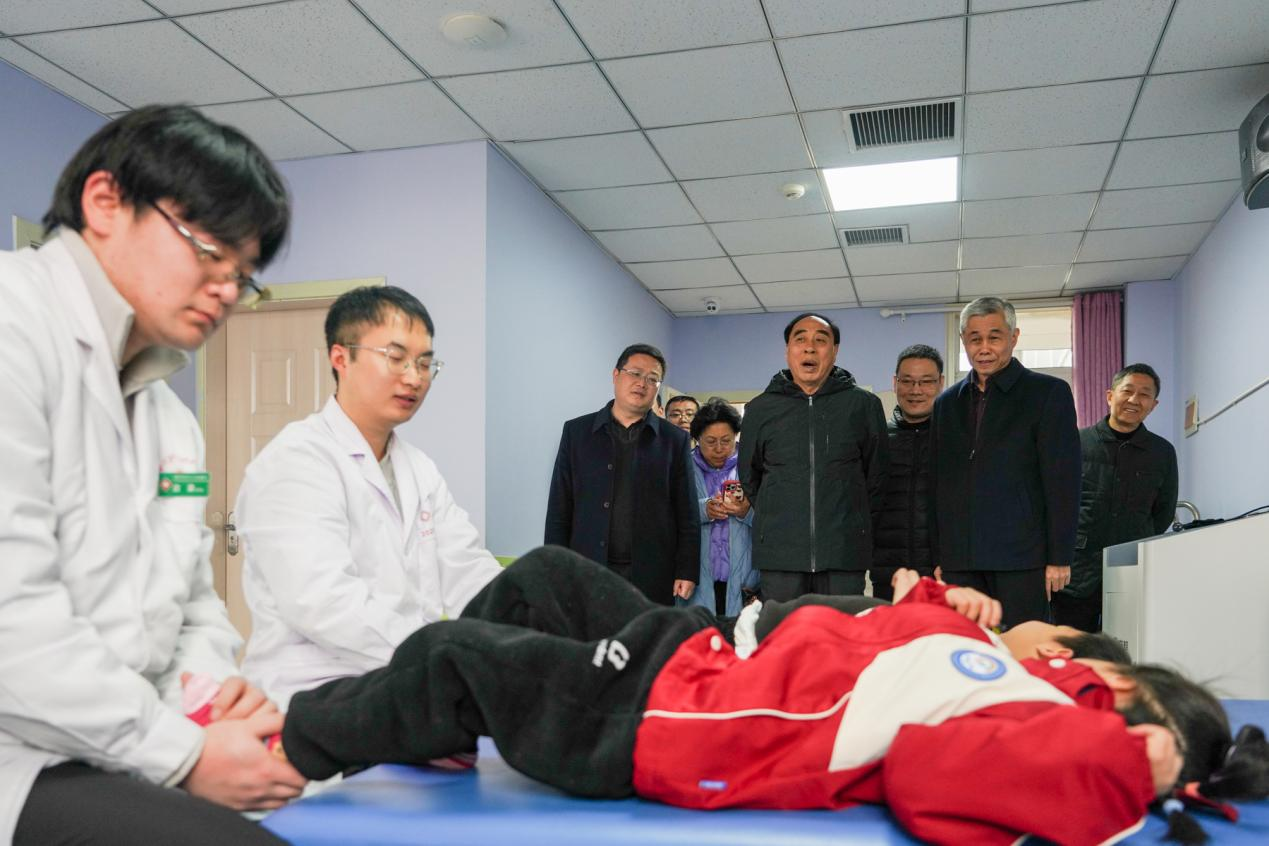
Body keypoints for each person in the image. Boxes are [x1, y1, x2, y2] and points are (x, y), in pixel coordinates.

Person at [275, 545, 1269, 846]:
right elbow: (874, 645)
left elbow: (928, 775)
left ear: (1110, 682)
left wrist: (1131, 764)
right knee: (540, 577)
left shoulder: (1049, 723)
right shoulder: (995, 664)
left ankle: (287, 747)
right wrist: (935, 603)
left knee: (453, 653)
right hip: (699, 657)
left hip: (672, 723)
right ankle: (432, 726)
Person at [0, 105, 304, 845]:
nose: (226, 290)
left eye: (243, 276)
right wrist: (183, 755)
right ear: (105, 202)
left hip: (110, 740)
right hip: (19, 749)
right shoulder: (13, 328)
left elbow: (192, 603)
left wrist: (211, 699)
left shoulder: (169, 417)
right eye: (209, 252)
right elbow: (11, 619)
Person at [235, 286, 502, 710]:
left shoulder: (419, 469)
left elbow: (466, 569)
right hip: (314, 697)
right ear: (341, 358)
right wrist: (445, 656)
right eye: (395, 358)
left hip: (407, 687)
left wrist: (518, 631)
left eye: (425, 363)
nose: (414, 378)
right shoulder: (295, 461)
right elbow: (324, 603)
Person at [930, 296, 1080, 628]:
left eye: (994, 337)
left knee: (1022, 648)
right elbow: (938, 485)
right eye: (975, 339)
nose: (984, 348)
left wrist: (1059, 558)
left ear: (1013, 337)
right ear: (963, 341)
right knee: (965, 647)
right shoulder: (946, 404)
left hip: (1023, 559)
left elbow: (1063, 482)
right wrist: (939, 556)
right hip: (961, 561)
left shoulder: (1048, 393)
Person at [738, 312, 888, 601]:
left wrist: (851, 522)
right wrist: (780, 517)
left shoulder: (863, 405)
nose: (809, 348)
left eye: (820, 340)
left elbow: (877, 477)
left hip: (844, 553)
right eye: (801, 340)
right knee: (784, 628)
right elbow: (750, 476)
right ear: (788, 350)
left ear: (834, 351)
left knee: (840, 628)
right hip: (780, 556)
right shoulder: (759, 409)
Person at [545, 344, 699, 604]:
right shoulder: (577, 432)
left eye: (652, 379)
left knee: (648, 631)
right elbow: (560, 506)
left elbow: (687, 511)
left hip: (652, 573)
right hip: (587, 568)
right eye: (635, 373)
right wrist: (554, 565)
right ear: (616, 375)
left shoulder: (674, 440)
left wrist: (687, 569)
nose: (642, 383)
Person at [1053, 363, 1178, 632]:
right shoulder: (1075, 443)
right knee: (1069, 646)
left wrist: (1133, 537)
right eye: (1127, 391)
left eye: (1144, 394)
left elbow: (1164, 511)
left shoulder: (1162, 453)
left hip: (1131, 572)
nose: (1134, 399)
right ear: (1110, 396)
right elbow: (1054, 504)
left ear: (1153, 405)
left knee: (1126, 647)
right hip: (1075, 574)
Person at [872, 344, 944, 600]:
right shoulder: (877, 438)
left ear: (941, 383)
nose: (916, 390)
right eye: (907, 381)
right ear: (895, 383)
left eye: (926, 381)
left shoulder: (954, 438)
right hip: (887, 576)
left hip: (941, 576)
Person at [679, 398, 758, 615]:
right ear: (697, 439)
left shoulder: (753, 467)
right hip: (697, 581)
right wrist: (705, 510)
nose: (719, 449)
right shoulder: (683, 468)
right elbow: (670, 515)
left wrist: (746, 512)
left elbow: (774, 520)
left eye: (726, 440)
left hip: (746, 581)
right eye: (711, 441)